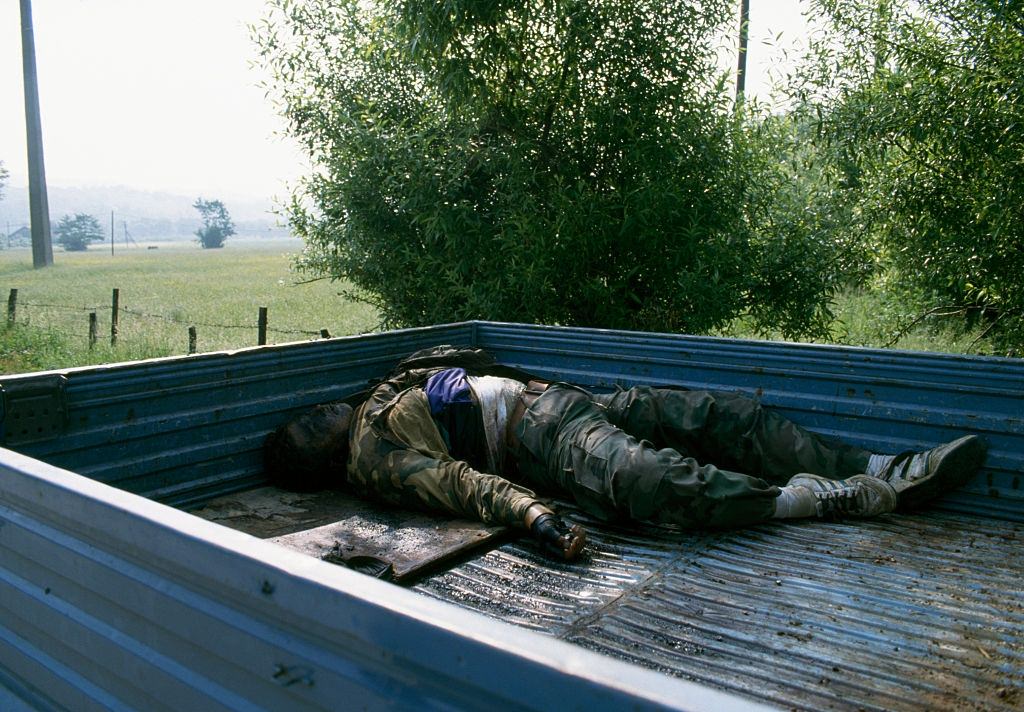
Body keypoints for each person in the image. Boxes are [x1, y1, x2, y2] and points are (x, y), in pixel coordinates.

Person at [264, 345, 987, 561]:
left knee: (719, 415)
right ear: (320, 460)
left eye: (313, 412)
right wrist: (534, 516)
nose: (319, 413)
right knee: (650, 481)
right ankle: (817, 499)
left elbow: (452, 352)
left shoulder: (378, 393)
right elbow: (461, 486)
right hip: (541, 436)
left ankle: (877, 466)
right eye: (309, 428)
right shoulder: (376, 457)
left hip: (567, 395)